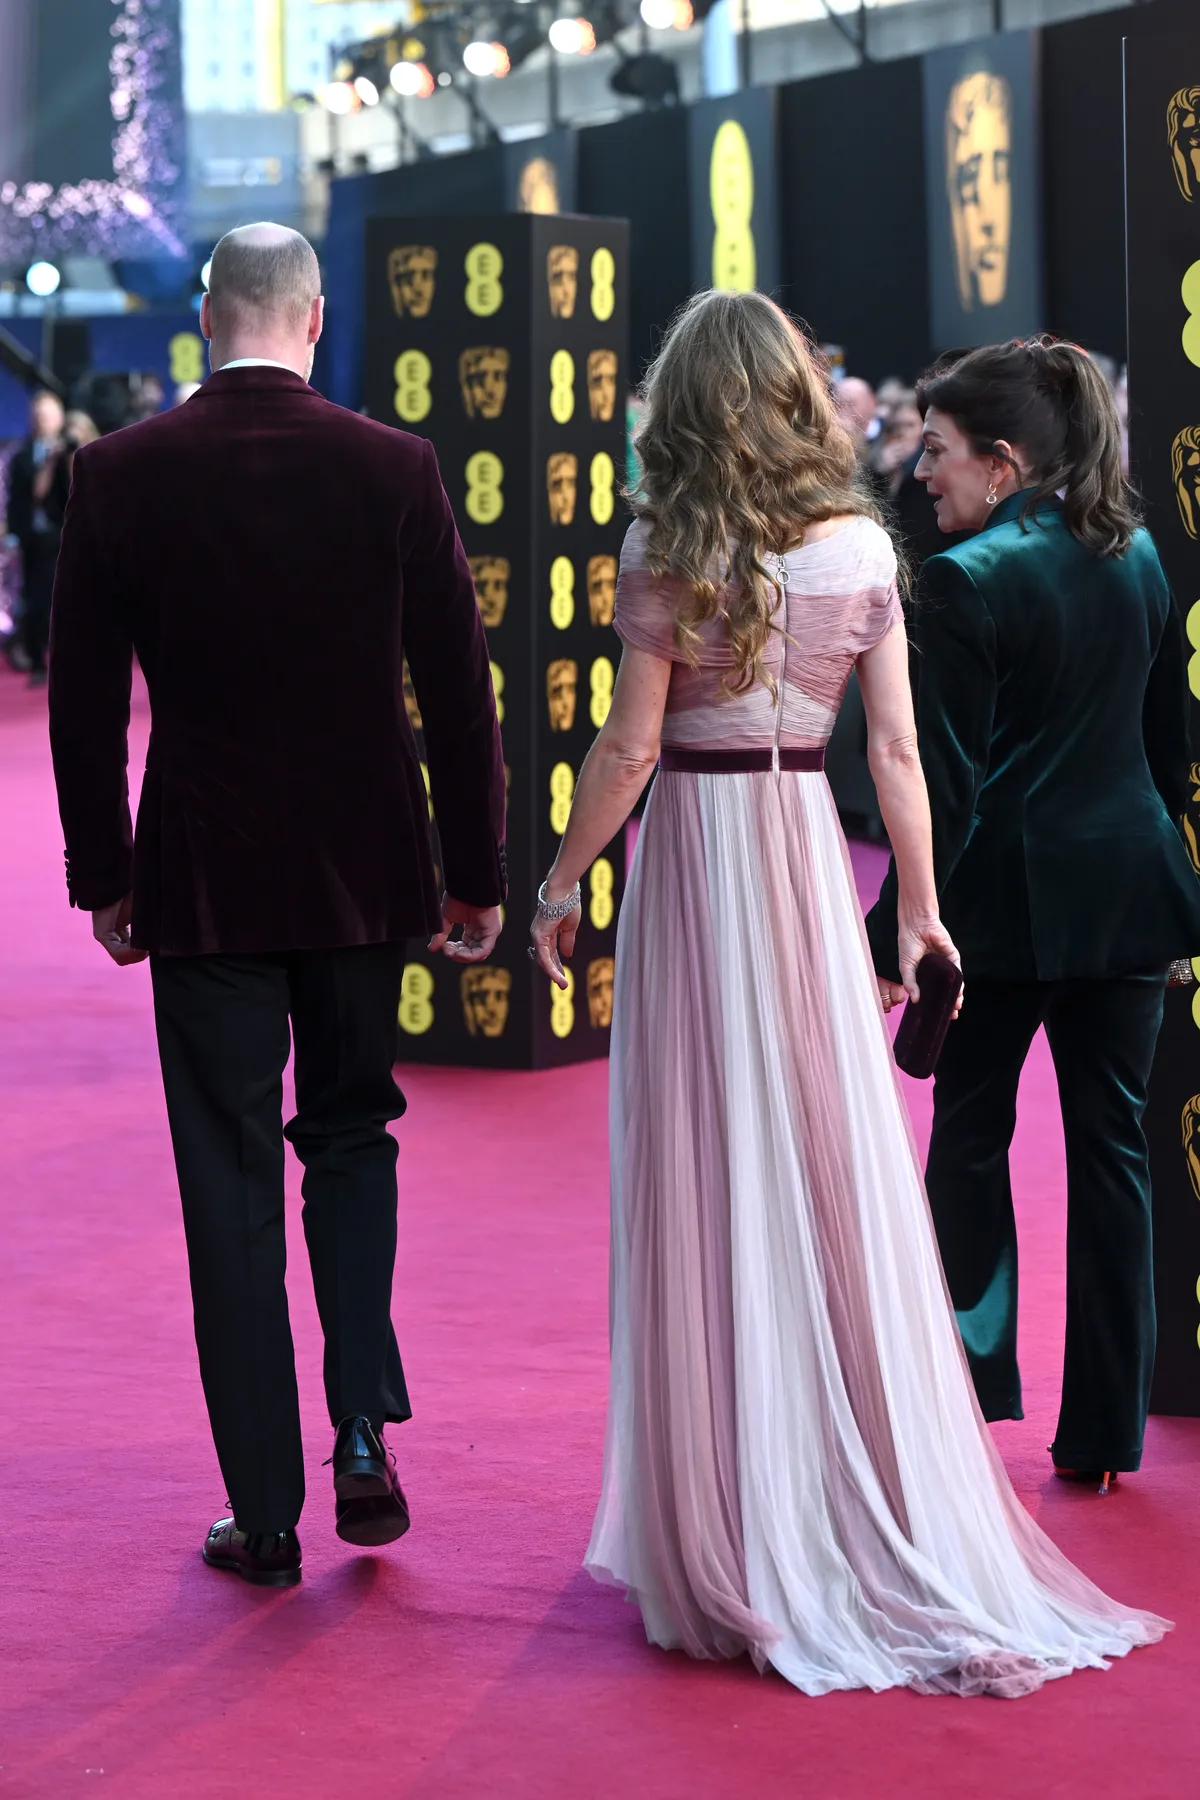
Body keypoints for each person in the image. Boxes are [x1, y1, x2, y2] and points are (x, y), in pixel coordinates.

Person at [530, 291, 1166, 1696]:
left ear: (684, 402)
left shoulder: (668, 543)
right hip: (807, 872)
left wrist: (565, 879)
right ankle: (849, 1492)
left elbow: (632, 747)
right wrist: (922, 914)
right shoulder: (862, 544)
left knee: (710, 1165)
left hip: (698, 860)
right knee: (827, 1167)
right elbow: (894, 758)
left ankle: (736, 1515)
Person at [48, 223, 506, 1589]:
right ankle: (360, 1426)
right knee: (355, 1140)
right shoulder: (395, 468)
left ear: (206, 318)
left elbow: (82, 702)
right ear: (313, 318)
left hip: (204, 877)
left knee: (231, 1188)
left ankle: (265, 1511)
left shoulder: (119, 475)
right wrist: (473, 871)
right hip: (365, 871)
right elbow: (459, 688)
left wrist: (104, 875)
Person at [867, 336, 1200, 1490]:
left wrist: (888, 938)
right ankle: (1105, 1436)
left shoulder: (963, 582)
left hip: (1005, 914)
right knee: (1116, 1158)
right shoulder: (1144, 557)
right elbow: (1169, 759)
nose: (919, 471)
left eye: (940, 450)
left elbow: (944, 785)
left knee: (969, 1141)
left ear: (1003, 463)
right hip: (1132, 904)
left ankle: (971, 1391)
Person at [7, 389, 70, 685]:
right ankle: (36, 662)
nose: (42, 420)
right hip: (32, 540)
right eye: (38, 415)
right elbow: (25, 497)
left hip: (63, 537)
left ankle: (66, 663)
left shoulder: (73, 451)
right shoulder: (20, 456)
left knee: (65, 602)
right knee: (33, 602)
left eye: (48, 415)